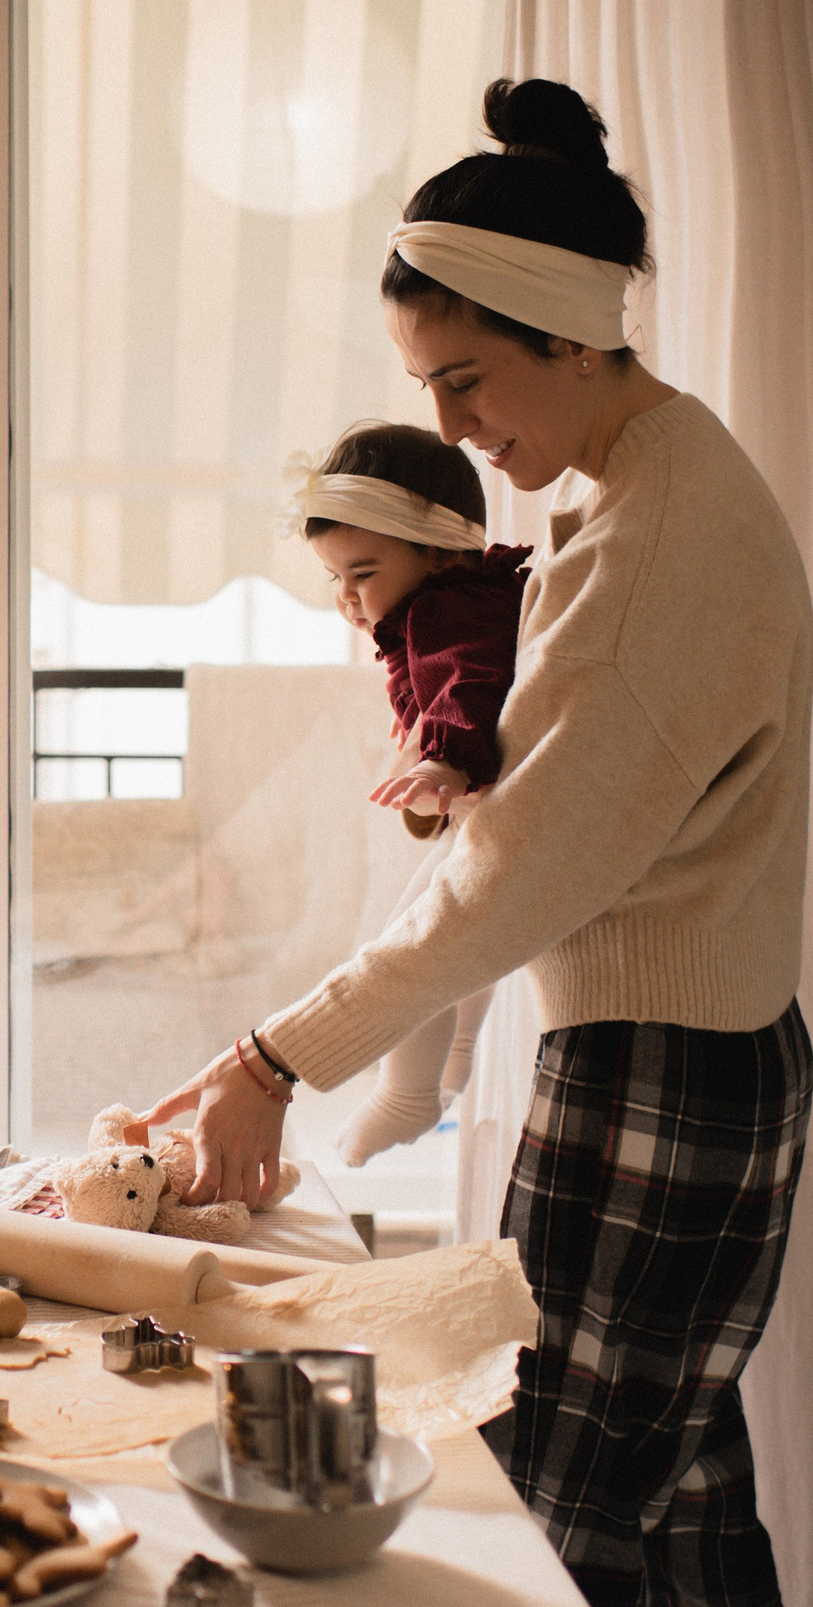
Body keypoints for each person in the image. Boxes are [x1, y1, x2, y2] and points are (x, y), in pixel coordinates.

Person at [144, 78, 813, 1607]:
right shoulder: (623, 491)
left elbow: (521, 879)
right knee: (684, 1514)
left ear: (570, 334)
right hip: (685, 1062)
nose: (449, 429)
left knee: (556, 1548)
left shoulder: (655, 529)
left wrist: (272, 1055)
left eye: (465, 380)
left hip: (660, 1081)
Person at [285, 421, 532, 1166]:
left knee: (414, 946)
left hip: (487, 805)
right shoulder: (446, 600)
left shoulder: (447, 608)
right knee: (466, 967)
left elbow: (470, 677)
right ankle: (442, 1082)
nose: (348, 597)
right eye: (335, 578)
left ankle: (407, 1093)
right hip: (498, 812)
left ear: (442, 550)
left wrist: (445, 762)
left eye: (363, 571)